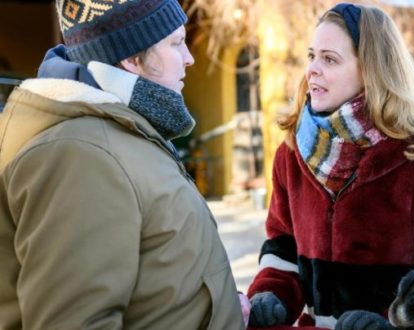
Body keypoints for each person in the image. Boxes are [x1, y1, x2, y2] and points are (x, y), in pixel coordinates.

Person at [0, 0, 245, 329]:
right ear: (131, 58)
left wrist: (220, 309)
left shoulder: (120, 127)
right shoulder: (80, 154)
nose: (189, 59)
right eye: (175, 43)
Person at [247, 3, 414, 330]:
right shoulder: (291, 151)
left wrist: (391, 324)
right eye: (311, 56)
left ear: (371, 69)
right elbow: (283, 246)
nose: (312, 69)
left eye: (329, 59)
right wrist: (272, 295)